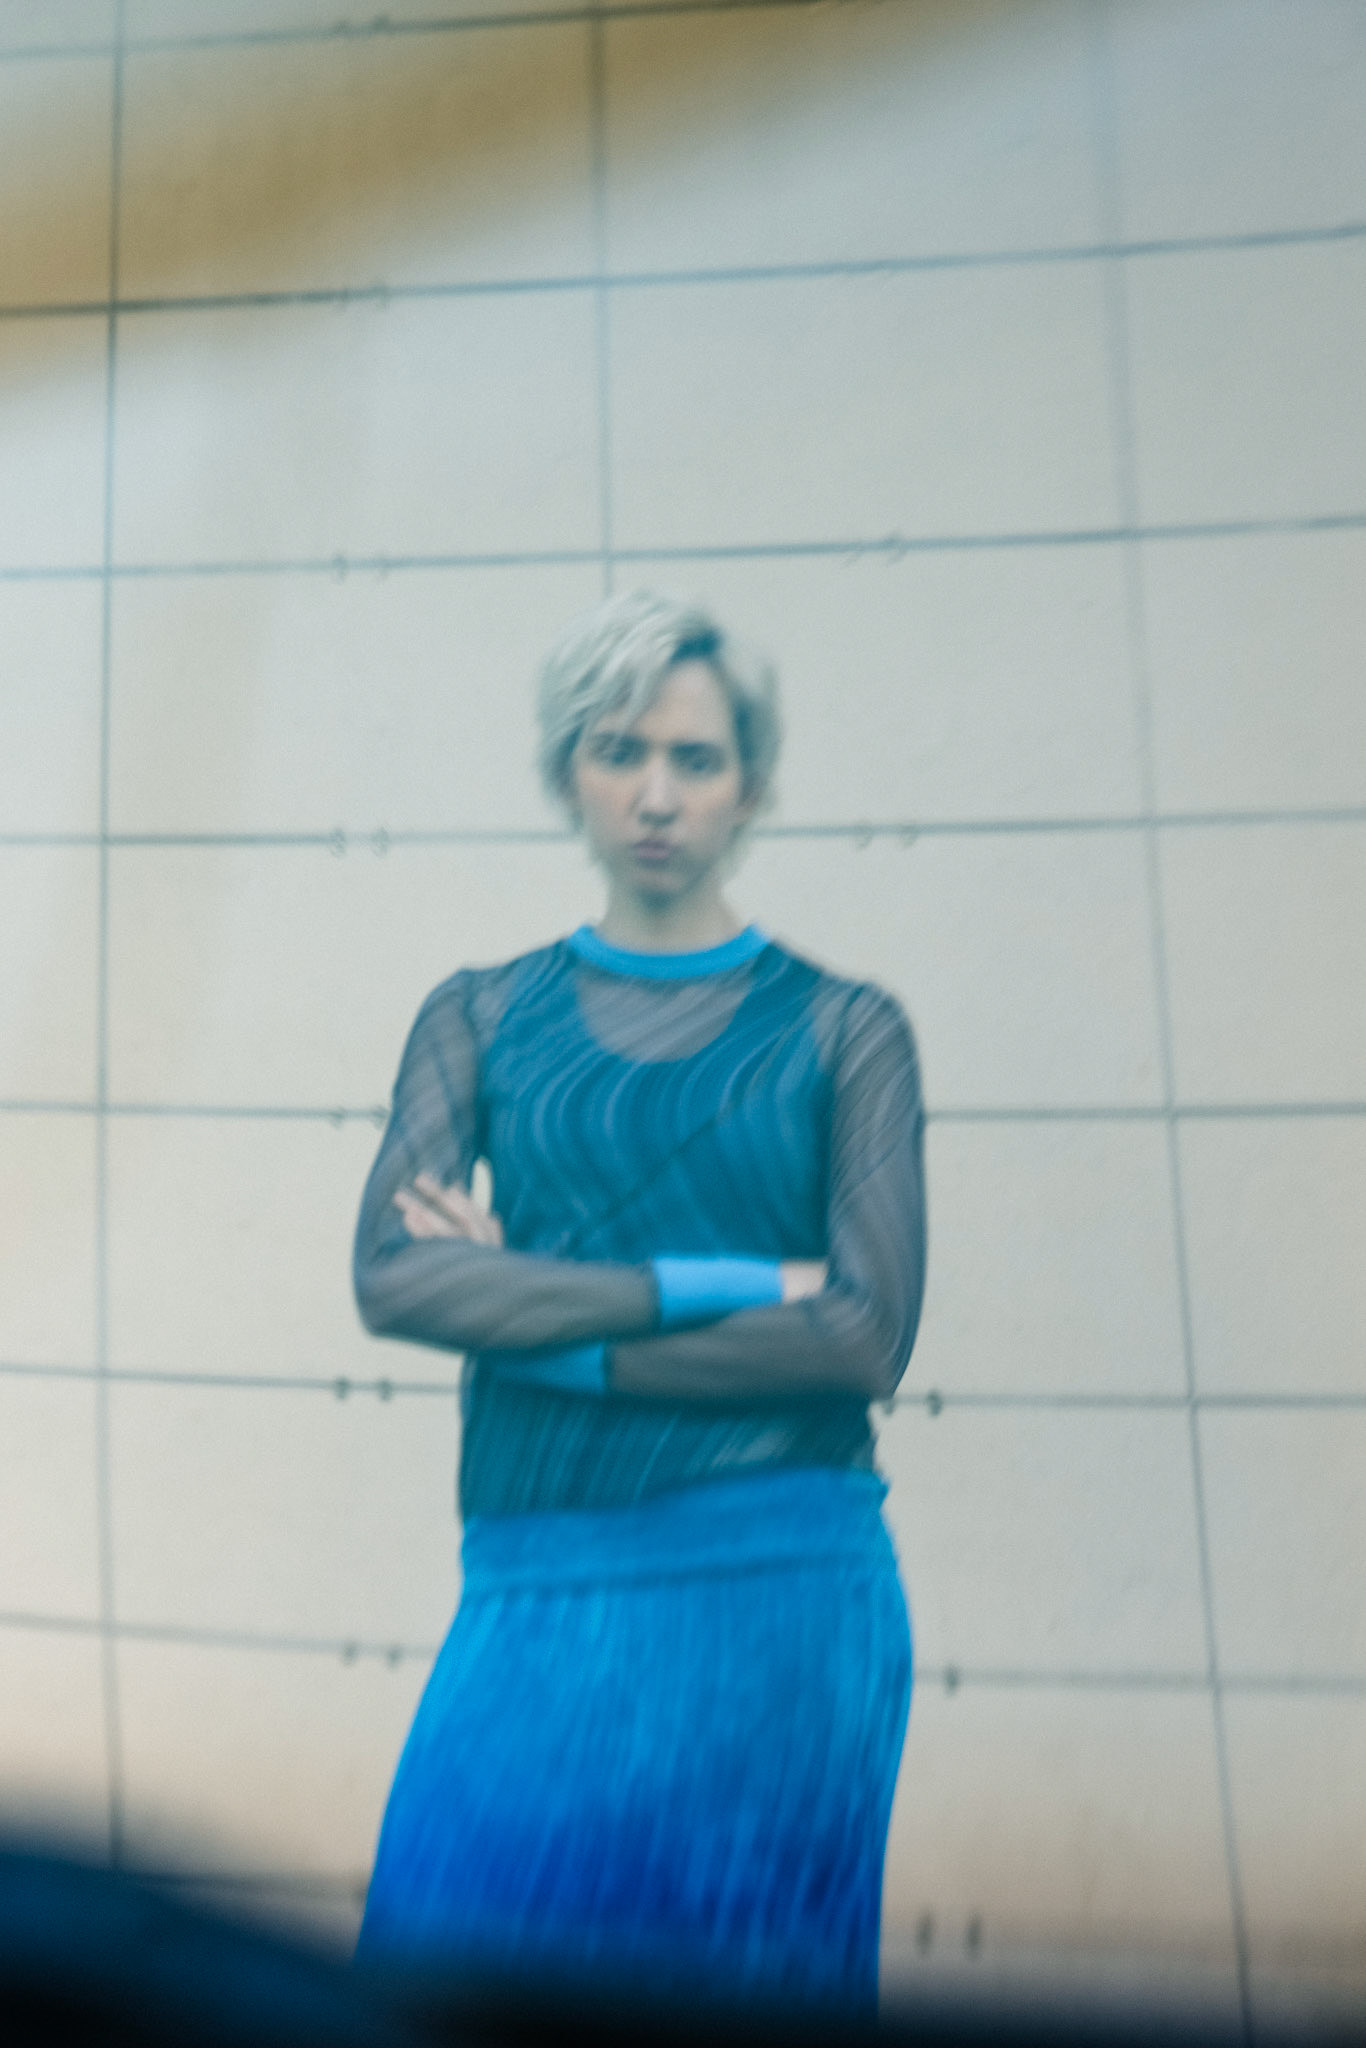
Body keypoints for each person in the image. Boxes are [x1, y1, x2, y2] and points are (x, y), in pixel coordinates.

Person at [351, 590, 928, 2014]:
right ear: (569, 773)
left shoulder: (848, 1030)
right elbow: (393, 1275)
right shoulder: (477, 1016)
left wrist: (528, 1320)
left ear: (752, 786)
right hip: (534, 1575)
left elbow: (861, 1334)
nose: (656, 795)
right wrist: (728, 1286)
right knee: (436, 1973)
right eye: (619, 752)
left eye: (696, 759)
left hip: (783, 1591)